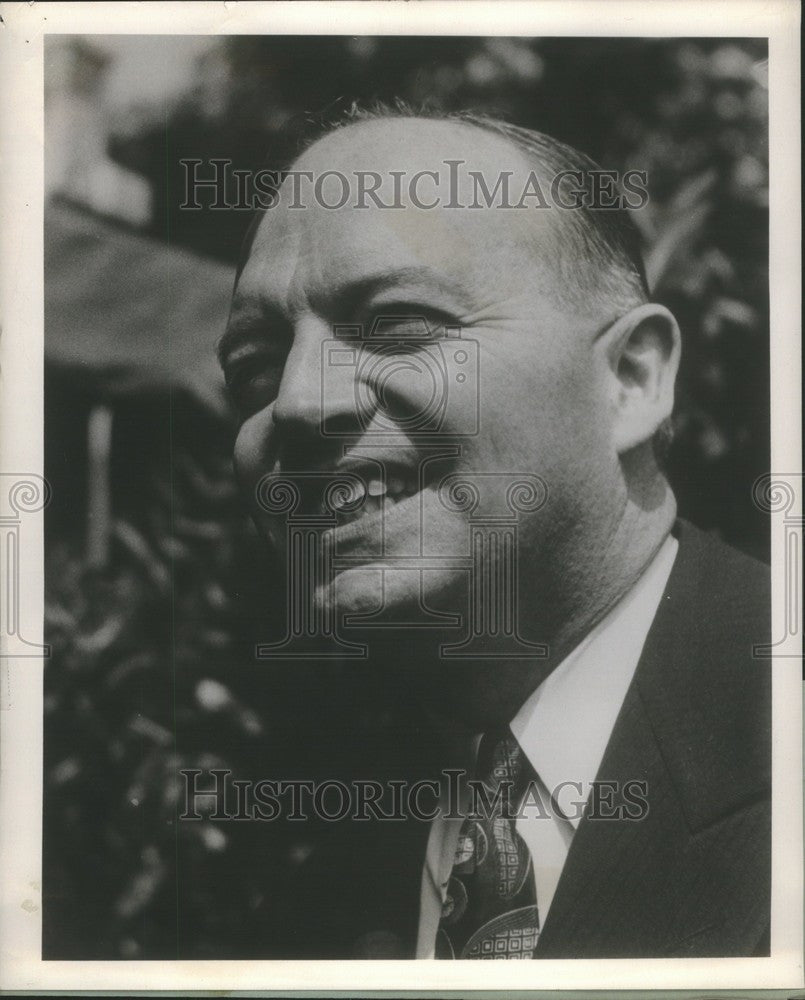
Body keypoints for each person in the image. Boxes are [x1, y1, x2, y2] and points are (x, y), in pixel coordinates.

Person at [218, 108, 770, 959]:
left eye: (400, 328)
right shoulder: (326, 845)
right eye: (254, 367)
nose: (294, 401)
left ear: (630, 379)